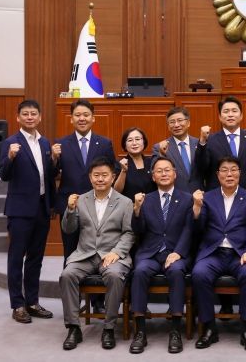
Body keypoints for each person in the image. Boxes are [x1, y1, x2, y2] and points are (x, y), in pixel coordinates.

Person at [59, 157, 134, 350]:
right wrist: (70, 209)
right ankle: (73, 328)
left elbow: (129, 233)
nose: (100, 179)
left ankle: (109, 328)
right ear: (90, 177)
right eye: (96, 175)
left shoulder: (125, 202)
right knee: (67, 275)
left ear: (113, 177)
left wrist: (117, 252)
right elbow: (68, 229)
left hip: (111, 255)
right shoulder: (81, 200)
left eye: (104, 175)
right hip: (85, 254)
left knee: (115, 275)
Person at [191, 156, 246, 352]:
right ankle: (209, 328)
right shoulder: (207, 198)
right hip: (213, 252)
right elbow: (198, 229)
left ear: (240, 173)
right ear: (217, 175)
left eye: (233, 170)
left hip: (240, 253)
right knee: (199, 273)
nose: (229, 174)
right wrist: (196, 209)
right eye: (224, 170)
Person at [0, 99, 56, 324]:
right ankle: (17, 305)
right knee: (16, 258)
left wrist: (51, 205)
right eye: (25, 114)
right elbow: (4, 175)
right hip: (20, 210)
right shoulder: (11, 143)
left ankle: (32, 302)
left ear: (40, 117)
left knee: (36, 258)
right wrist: (10, 158)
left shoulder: (45, 143)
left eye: (33, 113)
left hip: (42, 208)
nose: (30, 117)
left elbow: (49, 177)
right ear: (18, 118)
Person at [129, 157, 193, 354]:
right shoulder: (146, 199)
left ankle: (175, 329)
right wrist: (136, 210)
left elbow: (190, 230)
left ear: (175, 174)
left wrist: (178, 252)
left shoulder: (187, 199)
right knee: (139, 272)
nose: (164, 174)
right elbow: (138, 231)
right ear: (153, 176)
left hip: (175, 252)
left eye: (167, 170)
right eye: (159, 171)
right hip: (150, 253)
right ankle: (140, 330)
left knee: (176, 271)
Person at [53, 99, 117, 262]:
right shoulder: (61, 144)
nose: (82, 118)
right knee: (70, 252)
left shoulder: (104, 143)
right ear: (71, 119)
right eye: (77, 115)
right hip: (70, 205)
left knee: (98, 251)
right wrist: (53, 158)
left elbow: (113, 171)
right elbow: (52, 173)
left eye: (86, 115)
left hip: (99, 205)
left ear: (93, 118)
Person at [195, 96, 246, 195]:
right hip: (218, 196)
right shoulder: (210, 140)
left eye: (234, 111)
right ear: (220, 117)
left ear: (241, 116)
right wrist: (202, 142)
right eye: (226, 111)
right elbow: (201, 168)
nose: (230, 115)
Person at [151, 106, 203, 193]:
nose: (176, 125)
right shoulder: (159, 147)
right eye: (172, 122)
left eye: (180, 120)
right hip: (175, 196)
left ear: (188, 123)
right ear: (168, 126)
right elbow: (155, 173)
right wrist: (161, 154)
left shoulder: (200, 144)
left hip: (199, 194)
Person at [114, 127, 156, 199]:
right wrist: (123, 171)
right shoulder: (119, 164)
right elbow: (116, 191)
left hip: (151, 203)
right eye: (130, 140)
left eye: (137, 139)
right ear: (125, 145)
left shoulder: (152, 162)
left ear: (144, 142)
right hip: (129, 204)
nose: (134, 143)